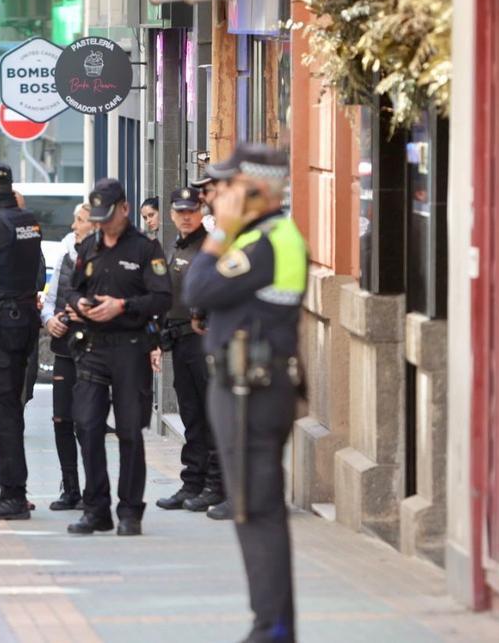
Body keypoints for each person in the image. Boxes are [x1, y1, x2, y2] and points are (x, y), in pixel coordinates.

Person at [183, 144, 307, 642]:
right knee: (253, 507)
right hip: (246, 387)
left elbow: (197, 290)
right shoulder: (260, 236)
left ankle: (271, 630)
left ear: (255, 190)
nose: (215, 195)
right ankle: (273, 625)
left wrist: (218, 236)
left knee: (255, 509)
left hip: (252, 391)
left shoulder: (265, 241)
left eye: (226, 185)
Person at [65, 178, 172, 536]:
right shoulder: (90, 247)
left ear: (124, 210)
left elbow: (161, 298)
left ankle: (130, 511)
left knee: (129, 431)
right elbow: (74, 287)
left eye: (107, 217)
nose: (101, 225)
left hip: (130, 347)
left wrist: (122, 306)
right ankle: (96, 509)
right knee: (88, 427)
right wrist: (78, 303)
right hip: (93, 347)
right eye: (96, 218)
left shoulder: (146, 249)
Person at [0, 162, 43, 520]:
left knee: (2, 415)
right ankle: (15, 493)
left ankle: (12, 496)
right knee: (11, 410)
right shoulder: (28, 220)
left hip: (2, 325)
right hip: (25, 320)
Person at [155, 187, 226, 515]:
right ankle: (193, 481)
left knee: (210, 415)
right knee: (191, 415)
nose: (185, 216)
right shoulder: (175, 246)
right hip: (180, 339)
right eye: (180, 211)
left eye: (191, 211)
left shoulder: (210, 247)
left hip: (204, 340)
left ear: (202, 211)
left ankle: (216, 484)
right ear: (171, 214)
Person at [40, 202, 94, 511]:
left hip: (92, 351)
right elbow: (49, 299)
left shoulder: (100, 257)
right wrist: (49, 320)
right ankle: (69, 486)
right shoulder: (64, 254)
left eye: (80, 221)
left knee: (87, 422)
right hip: (63, 349)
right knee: (62, 418)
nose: (74, 226)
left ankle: (91, 488)